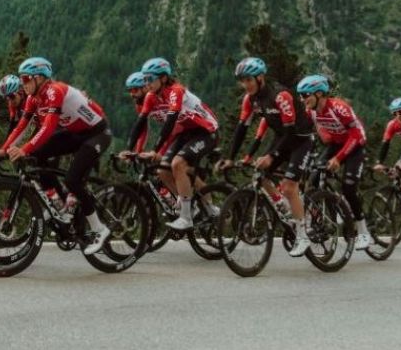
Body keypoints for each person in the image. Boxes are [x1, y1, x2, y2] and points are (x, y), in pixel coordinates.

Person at [2, 57, 113, 255]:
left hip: (97, 133)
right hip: (76, 133)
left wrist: (24, 149)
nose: (23, 84)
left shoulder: (55, 91)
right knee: (38, 155)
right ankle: (60, 205)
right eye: (21, 79)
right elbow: (21, 126)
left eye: (26, 79)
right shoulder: (33, 98)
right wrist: (3, 149)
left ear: (39, 78)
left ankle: (99, 229)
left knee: (72, 180)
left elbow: (48, 128)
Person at [218, 57, 314, 257]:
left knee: (289, 186)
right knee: (260, 174)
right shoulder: (250, 99)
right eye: (242, 81)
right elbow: (241, 129)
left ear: (260, 77)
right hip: (282, 137)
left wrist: (272, 155)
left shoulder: (280, 95)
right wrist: (230, 157)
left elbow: (291, 131)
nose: (245, 85)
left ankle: (303, 235)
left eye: (248, 80)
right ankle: (283, 205)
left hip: (300, 139)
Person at [132, 57, 220, 231]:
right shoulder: (151, 96)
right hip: (186, 133)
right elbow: (140, 124)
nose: (147, 84)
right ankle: (191, 206)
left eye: (150, 79)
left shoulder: (175, 91)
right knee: (163, 170)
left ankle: (189, 216)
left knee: (178, 164)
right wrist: (130, 150)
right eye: (145, 80)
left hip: (206, 131)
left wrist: (155, 150)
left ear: (163, 78)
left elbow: (170, 122)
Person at [296, 74, 371, 250]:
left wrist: (338, 158)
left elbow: (357, 134)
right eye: (300, 96)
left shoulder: (339, 107)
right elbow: (304, 133)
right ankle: (328, 213)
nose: (302, 99)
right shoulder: (311, 111)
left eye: (305, 95)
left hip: (355, 145)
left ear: (319, 94)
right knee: (314, 179)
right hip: (336, 144)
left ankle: (363, 232)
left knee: (349, 187)